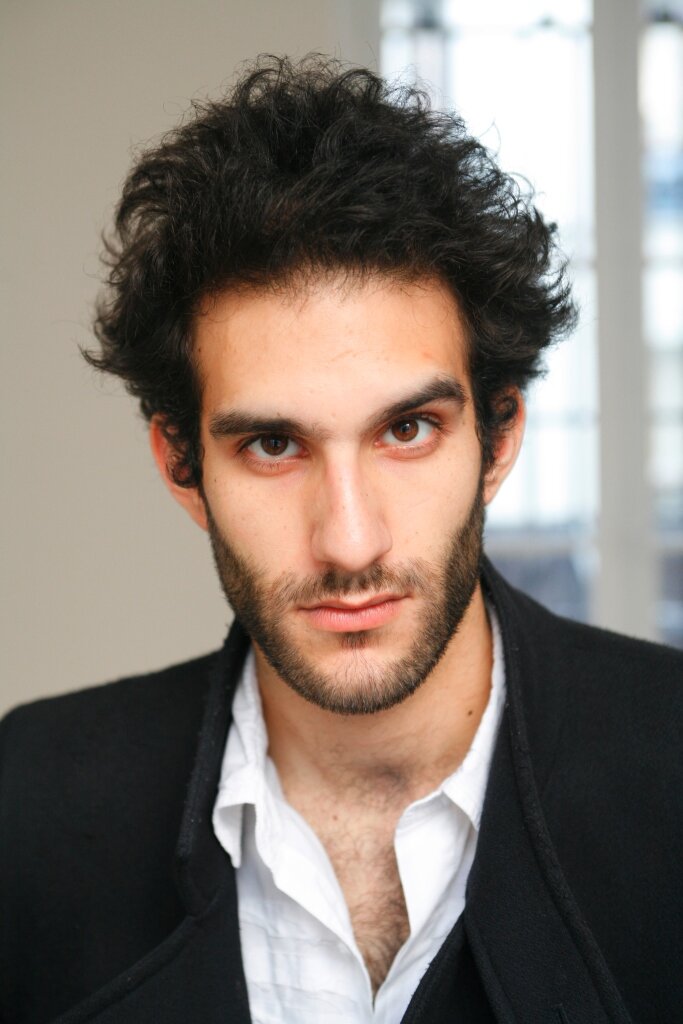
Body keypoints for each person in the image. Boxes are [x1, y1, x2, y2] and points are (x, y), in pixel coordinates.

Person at [1, 55, 681, 1024]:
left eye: (406, 430)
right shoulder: (31, 800)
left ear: (498, 440)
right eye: (273, 445)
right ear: (181, 465)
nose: (350, 542)